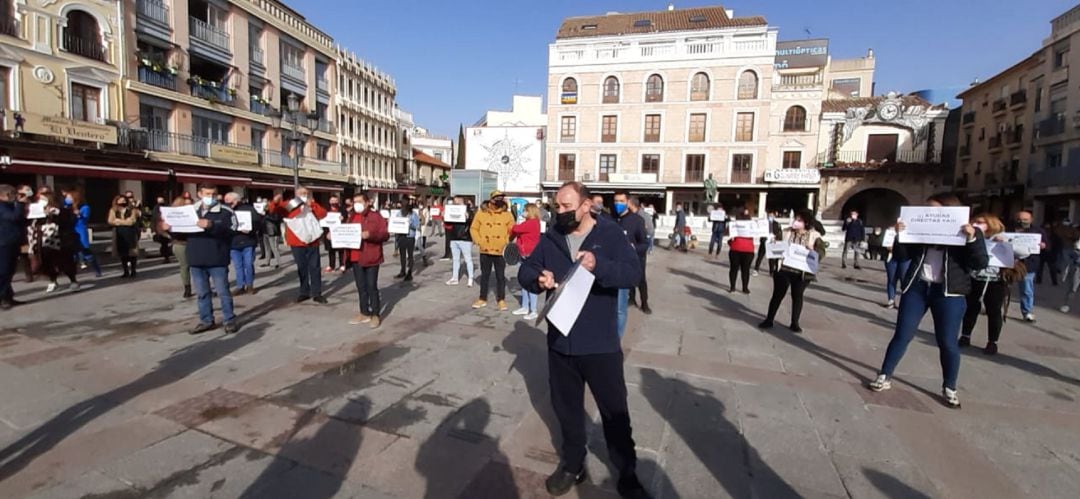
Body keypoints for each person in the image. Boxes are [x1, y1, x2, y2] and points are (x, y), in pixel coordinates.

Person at [517, 181, 648, 499]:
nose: (559, 212)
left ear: (587, 205)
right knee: (567, 410)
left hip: (600, 344)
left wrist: (598, 265)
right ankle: (573, 464)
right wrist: (538, 277)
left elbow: (632, 274)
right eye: (556, 206)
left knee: (614, 412)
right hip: (561, 343)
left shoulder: (610, 235)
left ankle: (627, 474)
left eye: (566, 206)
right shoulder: (552, 237)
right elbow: (526, 269)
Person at [868, 194, 988, 409]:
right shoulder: (920, 228)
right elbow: (903, 256)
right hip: (918, 287)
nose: (929, 213)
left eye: (934, 210)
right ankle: (884, 375)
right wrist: (900, 235)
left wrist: (971, 239)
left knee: (947, 342)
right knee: (902, 334)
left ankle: (949, 387)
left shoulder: (970, 232)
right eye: (927, 209)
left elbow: (980, 262)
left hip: (949, 293)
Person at [163, 185, 239, 334]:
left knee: (223, 291)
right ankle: (206, 320)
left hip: (217, 258)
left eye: (213, 194)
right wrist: (170, 229)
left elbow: (232, 229)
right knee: (202, 293)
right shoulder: (190, 211)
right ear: (199, 194)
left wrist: (211, 225)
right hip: (196, 258)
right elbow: (182, 235)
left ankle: (229, 320)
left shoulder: (225, 211)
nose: (210, 196)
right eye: (207, 193)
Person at [960, 214, 1016, 355]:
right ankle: (965, 335)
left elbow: (1024, 253)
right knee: (971, 307)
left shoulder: (1002, 237)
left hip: (996, 280)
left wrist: (1007, 243)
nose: (976, 224)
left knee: (994, 310)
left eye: (981, 222)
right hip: (975, 277)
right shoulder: (972, 236)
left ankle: (992, 342)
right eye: (975, 222)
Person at [759, 209, 822, 333]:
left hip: (802, 272)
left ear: (806, 222)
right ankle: (769, 319)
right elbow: (775, 246)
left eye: (799, 220)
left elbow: (821, 252)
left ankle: (794, 322)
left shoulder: (814, 235)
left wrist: (813, 251)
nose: (796, 222)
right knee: (777, 295)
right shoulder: (786, 232)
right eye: (795, 219)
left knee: (797, 296)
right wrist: (773, 244)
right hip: (784, 269)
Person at [268, 187, 328, 304]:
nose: (303, 195)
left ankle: (317, 293)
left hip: (312, 241)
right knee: (302, 267)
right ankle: (304, 292)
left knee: (315, 268)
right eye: (301, 193)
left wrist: (313, 205)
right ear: (296, 194)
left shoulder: (312, 203)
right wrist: (275, 202)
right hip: (296, 241)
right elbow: (274, 210)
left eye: (305, 193)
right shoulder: (290, 204)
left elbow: (323, 214)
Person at [346, 194, 390, 328]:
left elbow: (385, 234)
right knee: (361, 287)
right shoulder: (352, 216)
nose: (356, 204)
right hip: (355, 256)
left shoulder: (375, 217)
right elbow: (345, 231)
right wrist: (334, 235)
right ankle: (364, 312)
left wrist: (370, 235)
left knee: (371, 286)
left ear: (366, 203)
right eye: (354, 202)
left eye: (359, 202)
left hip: (371, 256)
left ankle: (375, 314)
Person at [470, 191, 514, 310]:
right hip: (485, 249)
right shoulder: (481, 213)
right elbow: (474, 228)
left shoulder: (507, 215)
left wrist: (506, 241)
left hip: (501, 250)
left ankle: (501, 299)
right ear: (491, 199)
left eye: (502, 198)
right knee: (485, 275)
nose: (500, 200)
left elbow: (512, 230)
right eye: (497, 198)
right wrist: (479, 241)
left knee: (501, 276)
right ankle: (482, 298)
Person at [614, 191, 649, 335]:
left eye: (621, 201)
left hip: (626, 268)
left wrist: (635, 248)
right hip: (610, 267)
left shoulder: (637, 221)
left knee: (620, 309)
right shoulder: (610, 220)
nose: (618, 204)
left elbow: (645, 244)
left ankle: (617, 339)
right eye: (616, 201)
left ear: (628, 202)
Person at [38, 194, 79, 293]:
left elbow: (69, 221)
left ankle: (73, 280)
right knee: (48, 261)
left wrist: (57, 213)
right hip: (46, 240)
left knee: (65, 261)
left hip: (61, 240)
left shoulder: (63, 210)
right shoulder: (38, 212)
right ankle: (53, 281)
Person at [1013, 210, 1047, 322]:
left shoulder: (1038, 231)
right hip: (1009, 262)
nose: (1022, 222)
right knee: (1000, 287)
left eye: (1025, 220)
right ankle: (993, 307)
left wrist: (1043, 245)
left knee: (1026, 289)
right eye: (1020, 219)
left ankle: (1027, 311)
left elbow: (1047, 246)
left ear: (1031, 219)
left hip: (1028, 264)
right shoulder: (1011, 229)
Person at [510, 204, 542, 319]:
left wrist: (513, 223)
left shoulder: (532, 223)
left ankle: (533, 310)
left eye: (525, 210)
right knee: (524, 281)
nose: (523, 212)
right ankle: (525, 306)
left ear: (530, 211)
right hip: (523, 254)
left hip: (530, 255)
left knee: (531, 282)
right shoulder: (530, 222)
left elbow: (515, 228)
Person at [225, 193, 260, 295]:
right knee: (238, 266)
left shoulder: (249, 209)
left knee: (248, 264)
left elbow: (257, 223)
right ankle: (240, 286)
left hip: (248, 241)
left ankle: (249, 285)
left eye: (229, 201)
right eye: (226, 201)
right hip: (233, 243)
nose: (227, 203)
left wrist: (251, 229)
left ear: (236, 200)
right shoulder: (226, 211)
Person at [64, 189, 101, 277]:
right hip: (70, 231)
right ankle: (73, 272)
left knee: (85, 251)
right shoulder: (66, 207)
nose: (67, 199)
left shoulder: (84, 207)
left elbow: (85, 219)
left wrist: (78, 214)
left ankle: (97, 270)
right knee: (71, 253)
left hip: (80, 230)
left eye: (69, 197)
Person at [0, 185, 26, 309]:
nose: (14, 197)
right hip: (3, 243)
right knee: (3, 271)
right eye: (11, 194)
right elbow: (13, 218)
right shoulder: (1, 206)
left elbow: (20, 220)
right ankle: (2, 298)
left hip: (13, 242)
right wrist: (20, 205)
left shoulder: (11, 206)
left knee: (10, 270)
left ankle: (8, 296)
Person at [627, 197, 652, 315]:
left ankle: (644, 303)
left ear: (632, 204)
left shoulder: (643, 216)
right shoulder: (628, 217)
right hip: (629, 254)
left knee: (641, 279)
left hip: (639, 253)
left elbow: (650, 231)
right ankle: (631, 299)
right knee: (630, 277)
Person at [108, 194, 141, 278]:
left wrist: (119, 221)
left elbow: (132, 221)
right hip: (119, 233)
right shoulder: (113, 210)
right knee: (123, 253)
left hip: (130, 233)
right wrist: (124, 221)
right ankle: (125, 271)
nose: (123, 202)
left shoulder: (132, 210)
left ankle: (133, 270)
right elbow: (111, 221)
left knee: (132, 252)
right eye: (121, 200)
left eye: (124, 200)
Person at [446, 197, 475, 286]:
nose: (455, 202)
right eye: (454, 201)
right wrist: (445, 216)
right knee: (455, 259)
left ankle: (470, 278)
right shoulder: (452, 210)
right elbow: (448, 223)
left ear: (461, 200)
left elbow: (472, 222)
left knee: (468, 259)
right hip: (454, 237)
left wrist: (468, 216)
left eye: (456, 200)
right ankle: (455, 278)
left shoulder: (468, 211)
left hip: (465, 238)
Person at [169, 196, 194, 298]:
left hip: (194, 242)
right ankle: (187, 287)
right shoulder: (173, 216)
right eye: (186, 204)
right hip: (180, 243)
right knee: (184, 266)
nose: (189, 206)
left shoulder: (195, 214)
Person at [883, 226, 912, 309]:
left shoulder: (909, 232)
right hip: (891, 258)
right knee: (891, 279)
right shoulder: (890, 231)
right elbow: (885, 243)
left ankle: (905, 302)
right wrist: (887, 246)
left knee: (905, 281)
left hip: (905, 258)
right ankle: (891, 300)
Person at [728, 209, 755, 294]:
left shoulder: (735, 225)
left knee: (733, 269)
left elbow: (727, 233)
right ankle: (745, 288)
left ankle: (732, 287)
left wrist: (731, 243)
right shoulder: (752, 225)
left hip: (735, 248)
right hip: (748, 250)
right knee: (746, 270)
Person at [394, 201, 420, 281]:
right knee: (402, 255)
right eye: (402, 206)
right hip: (401, 236)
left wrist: (410, 224)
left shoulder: (413, 214)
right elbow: (395, 222)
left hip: (410, 236)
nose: (403, 208)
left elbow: (417, 225)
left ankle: (409, 272)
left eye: (405, 206)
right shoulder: (398, 213)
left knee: (410, 255)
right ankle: (402, 271)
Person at [754, 212, 783, 276]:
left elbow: (779, 233)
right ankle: (756, 269)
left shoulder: (777, 224)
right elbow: (759, 231)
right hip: (764, 241)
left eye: (772, 215)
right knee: (760, 257)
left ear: (774, 216)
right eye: (769, 215)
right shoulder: (764, 223)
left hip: (772, 242)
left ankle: (771, 272)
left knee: (771, 258)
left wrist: (777, 239)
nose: (770, 217)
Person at [323, 195, 346, 273]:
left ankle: (342, 265)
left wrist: (343, 218)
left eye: (335, 200)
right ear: (329, 201)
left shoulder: (342, 209)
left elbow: (346, 217)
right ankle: (331, 266)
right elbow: (323, 221)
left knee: (341, 250)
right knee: (331, 250)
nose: (334, 202)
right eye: (332, 201)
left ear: (338, 201)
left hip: (339, 232)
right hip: (329, 232)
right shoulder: (326, 210)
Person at [1037, 220, 1062, 286]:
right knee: (1039, 268)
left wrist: (1056, 252)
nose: (1047, 229)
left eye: (1048, 228)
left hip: (1051, 254)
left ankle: (1054, 282)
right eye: (1045, 228)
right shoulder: (1040, 236)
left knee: (1052, 268)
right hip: (1042, 253)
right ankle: (1038, 280)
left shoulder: (1055, 236)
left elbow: (1058, 245)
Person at [260, 198, 281, 269]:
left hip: (272, 232)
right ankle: (267, 262)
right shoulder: (265, 213)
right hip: (265, 232)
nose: (266, 205)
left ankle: (278, 262)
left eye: (267, 203)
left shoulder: (275, 210)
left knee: (274, 248)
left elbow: (276, 219)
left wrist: (267, 216)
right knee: (267, 248)